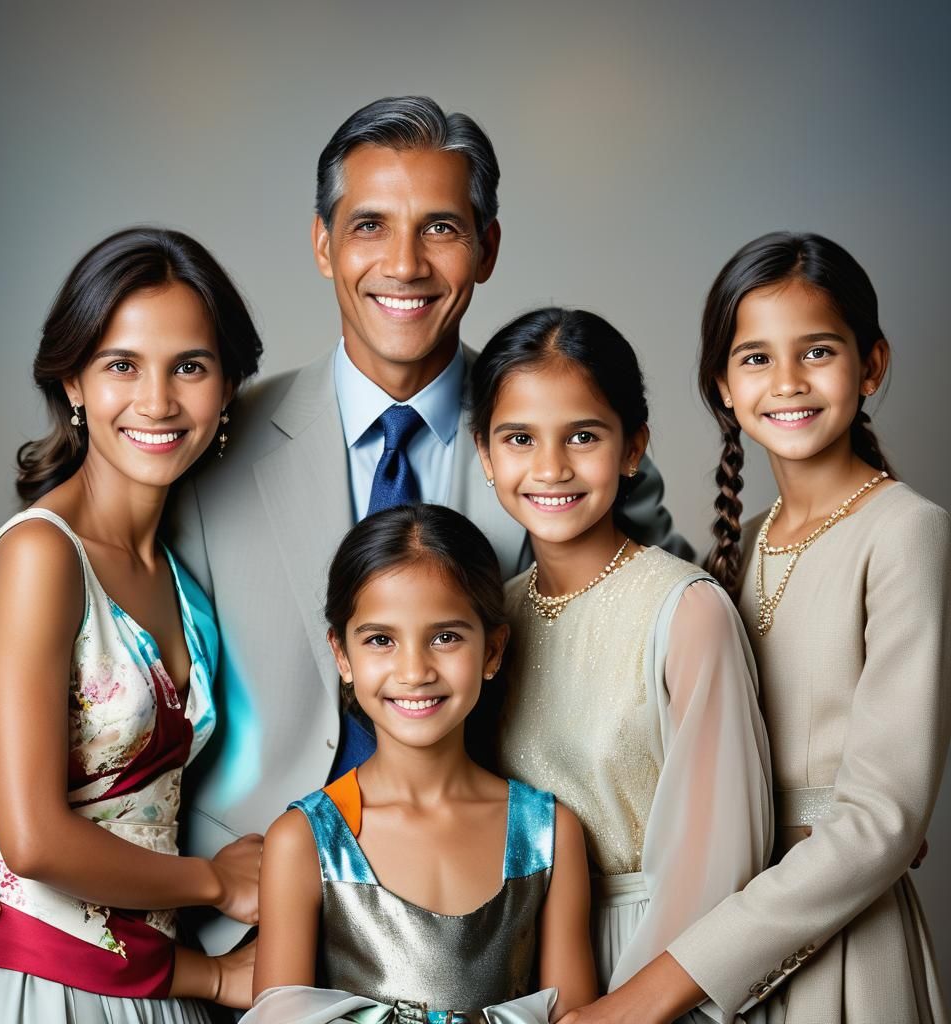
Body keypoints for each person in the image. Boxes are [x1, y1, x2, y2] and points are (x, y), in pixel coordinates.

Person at [0, 96, 687, 954]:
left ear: (487, 248)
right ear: (324, 244)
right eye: (370, 225)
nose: (403, 264)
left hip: (489, 934)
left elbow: (664, 660)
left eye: (440, 228)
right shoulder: (206, 442)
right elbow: (104, 665)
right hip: (239, 931)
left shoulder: (568, 447)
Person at [570, 233, 951, 1024]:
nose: (787, 383)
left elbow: (883, 818)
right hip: (722, 924)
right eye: (754, 359)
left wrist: (656, 990)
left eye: (817, 351)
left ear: (871, 364)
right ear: (721, 385)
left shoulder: (907, 532)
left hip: (840, 942)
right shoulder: (736, 549)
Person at [0, 227, 268, 1021]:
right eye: (122, 365)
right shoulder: (41, 556)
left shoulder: (180, 579)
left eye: (190, 365)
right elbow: (35, 838)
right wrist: (217, 880)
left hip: (153, 980)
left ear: (225, 388)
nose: (157, 401)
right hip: (36, 991)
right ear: (74, 381)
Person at [470, 308, 773, 1021]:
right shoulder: (492, 619)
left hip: (661, 971)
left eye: (583, 435)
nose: (551, 468)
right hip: (525, 973)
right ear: (485, 455)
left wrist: (632, 1006)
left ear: (633, 447)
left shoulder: (686, 611)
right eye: (519, 439)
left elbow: (719, 864)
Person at [244, 504, 598, 1024]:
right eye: (381, 640)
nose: (414, 671)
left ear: (493, 650)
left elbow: (576, 1016)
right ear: (342, 654)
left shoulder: (548, 834)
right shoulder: (302, 841)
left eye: (446, 637)